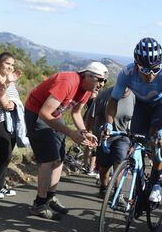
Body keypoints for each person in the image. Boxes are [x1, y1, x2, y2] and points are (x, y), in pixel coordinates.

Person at [25, 61, 108, 220]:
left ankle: (50, 197)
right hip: (37, 113)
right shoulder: (67, 82)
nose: (102, 84)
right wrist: (71, 132)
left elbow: (76, 112)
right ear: (87, 75)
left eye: (104, 81)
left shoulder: (87, 89)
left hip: (55, 115)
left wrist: (84, 132)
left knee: (59, 158)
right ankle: (39, 204)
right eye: (99, 80)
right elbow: (44, 113)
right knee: (48, 159)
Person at [105, 37, 162, 203]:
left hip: (159, 108)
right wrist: (108, 124)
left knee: (154, 142)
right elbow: (113, 101)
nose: (151, 75)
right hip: (141, 107)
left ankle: (156, 182)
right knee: (136, 142)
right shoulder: (126, 74)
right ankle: (139, 183)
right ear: (136, 64)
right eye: (145, 69)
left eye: (155, 69)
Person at [0, 52, 25, 199]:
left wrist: (10, 83)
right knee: (6, 156)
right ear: (0, 63)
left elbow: (12, 101)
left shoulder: (11, 80)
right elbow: (4, 102)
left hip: (11, 123)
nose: (10, 67)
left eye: (12, 64)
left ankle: (0, 187)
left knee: (7, 157)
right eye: (7, 63)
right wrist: (8, 82)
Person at [86, 87, 135, 197]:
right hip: (104, 136)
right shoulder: (103, 96)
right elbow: (91, 116)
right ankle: (103, 188)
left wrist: (134, 141)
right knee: (104, 167)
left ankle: (118, 193)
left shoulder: (134, 97)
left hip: (123, 136)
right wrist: (88, 133)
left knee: (119, 162)